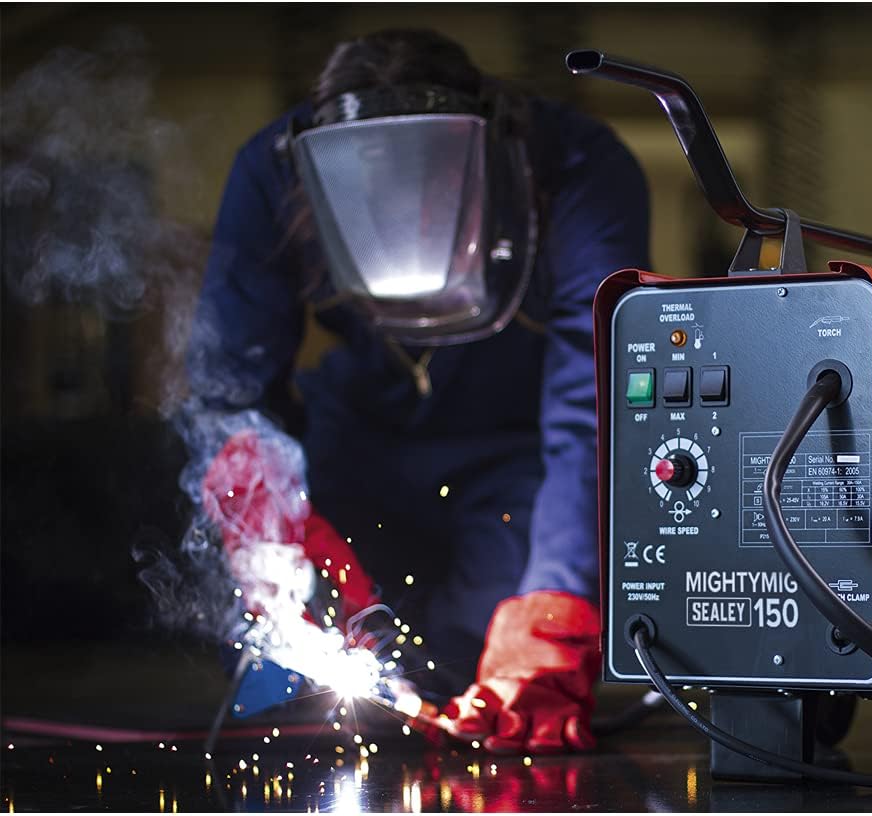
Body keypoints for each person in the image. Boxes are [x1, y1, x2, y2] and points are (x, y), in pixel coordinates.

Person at [188, 29, 649, 753]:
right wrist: (270, 529)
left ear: (487, 159)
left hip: (514, 451)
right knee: (298, 672)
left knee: (474, 667)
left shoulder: (580, 166)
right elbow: (231, 390)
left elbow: (592, 406)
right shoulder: (274, 168)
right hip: (357, 435)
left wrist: (556, 604)